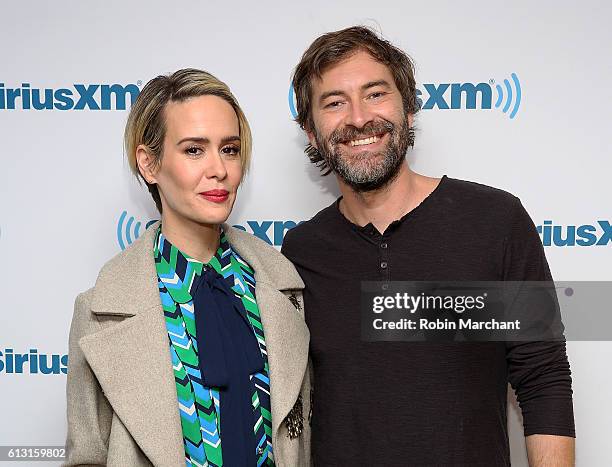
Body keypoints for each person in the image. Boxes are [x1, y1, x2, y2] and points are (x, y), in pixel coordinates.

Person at [282, 26, 575, 466]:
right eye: (335, 102)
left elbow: (543, 376)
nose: (359, 118)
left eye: (376, 94)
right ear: (310, 130)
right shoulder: (301, 251)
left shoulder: (495, 221)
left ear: (409, 109)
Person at [64, 68, 310, 467]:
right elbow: (87, 458)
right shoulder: (98, 312)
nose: (219, 169)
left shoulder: (282, 287)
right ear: (149, 164)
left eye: (229, 149)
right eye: (194, 150)